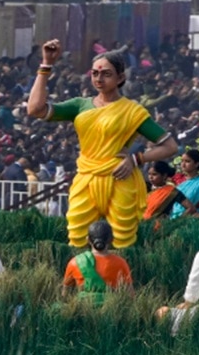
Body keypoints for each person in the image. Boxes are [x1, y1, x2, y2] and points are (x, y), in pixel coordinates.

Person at [27, 43, 178, 248]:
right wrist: (46, 64)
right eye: (95, 73)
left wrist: (136, 159)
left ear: (120, 78)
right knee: (78, 237)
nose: (99, 79)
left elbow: (169, 146)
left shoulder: (132, 111)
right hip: (86, 178)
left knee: (122, 240)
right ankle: (79, 278)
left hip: (120, 177)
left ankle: (122, 279)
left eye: (106, 74)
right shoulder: (80, 105)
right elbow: (35, 109)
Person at [63, 220, 133, 302]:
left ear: (88, 240)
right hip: (111, 311)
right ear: (111, 240)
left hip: (83, 310)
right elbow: (130, 295)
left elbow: (65, 295)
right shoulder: (120, 263)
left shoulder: (75, 263)